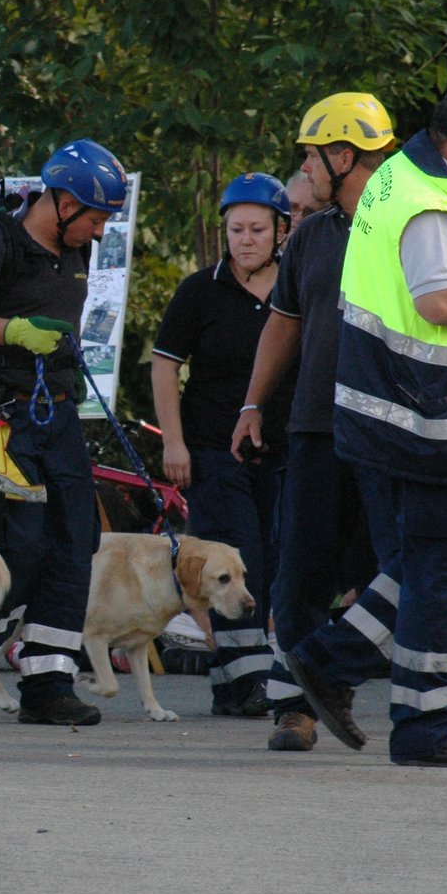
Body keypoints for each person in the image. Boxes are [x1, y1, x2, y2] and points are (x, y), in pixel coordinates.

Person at [283, 70, 447, 768]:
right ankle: (418, 718)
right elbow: (439, 303)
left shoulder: (399, 181)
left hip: (398, 406)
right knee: (442, 560)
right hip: (425, 408)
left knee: (436, 558)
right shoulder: (429, 200)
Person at [0, 138, 127, 726]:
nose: (97, 232)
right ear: (62, 201)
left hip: (56, 411)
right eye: (93, 217)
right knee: (19, 544)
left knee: (75, 539)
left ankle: (48, 684)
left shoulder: (75, 247)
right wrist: (13, 329)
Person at [230, 91, 396, 751]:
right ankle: (294, 708)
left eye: (310, 155)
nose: (303, 169)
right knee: (300, 568)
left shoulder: (408, 229)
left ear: (343, 154)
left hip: (387, 429)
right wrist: (251, 404)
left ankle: (337, 678)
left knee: (387, 568)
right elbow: (284, 323)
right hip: (314, 427)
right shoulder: (312, 239)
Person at [152, 172, 291, 716]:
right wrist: (175, 445)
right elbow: (165, 367)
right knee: (237, 560)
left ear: (281, 231)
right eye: (236, 229)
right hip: (213, 448)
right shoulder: (199, 289)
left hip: (282, 450)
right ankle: (248, 679)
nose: (246, 239)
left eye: (258, 228)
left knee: (276, 562)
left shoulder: (297, 285)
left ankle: (234, 686)